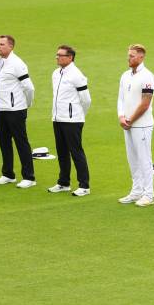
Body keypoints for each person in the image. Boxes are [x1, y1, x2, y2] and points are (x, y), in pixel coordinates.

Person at [47, 45, 91, 197]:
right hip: (58, 118)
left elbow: (86, 100)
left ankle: (84, 185)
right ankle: (63, 182)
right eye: (57, 55)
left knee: (76, 152)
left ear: (70, 57)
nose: (57, 57)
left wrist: (78, 115)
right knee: (62, 152)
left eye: (61, 55)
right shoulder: (56, 73)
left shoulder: (76, 75)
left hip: (72, 120)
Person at [0, 35, 36, 188]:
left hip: (16, 110)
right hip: (1, 109)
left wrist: (27, 103)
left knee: (21, 142)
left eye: (2, 44)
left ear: (11, 47)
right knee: (4, 142)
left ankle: (29, 177)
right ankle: (8, 174)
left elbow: (29, 87)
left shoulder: (17, 64)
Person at [117, 44, 154, 207]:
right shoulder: (125, 75)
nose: (129, 58)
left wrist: (131, 120)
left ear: (141, 57)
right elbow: (121, 98)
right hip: (127, 123)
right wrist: (121, 116)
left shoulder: (147, 77)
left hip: (142, 125)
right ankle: (137, 191)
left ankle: (149, 194)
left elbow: (145, 103)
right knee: (132, 159)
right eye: (129, 55)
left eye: (132, 55)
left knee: (144, 159)